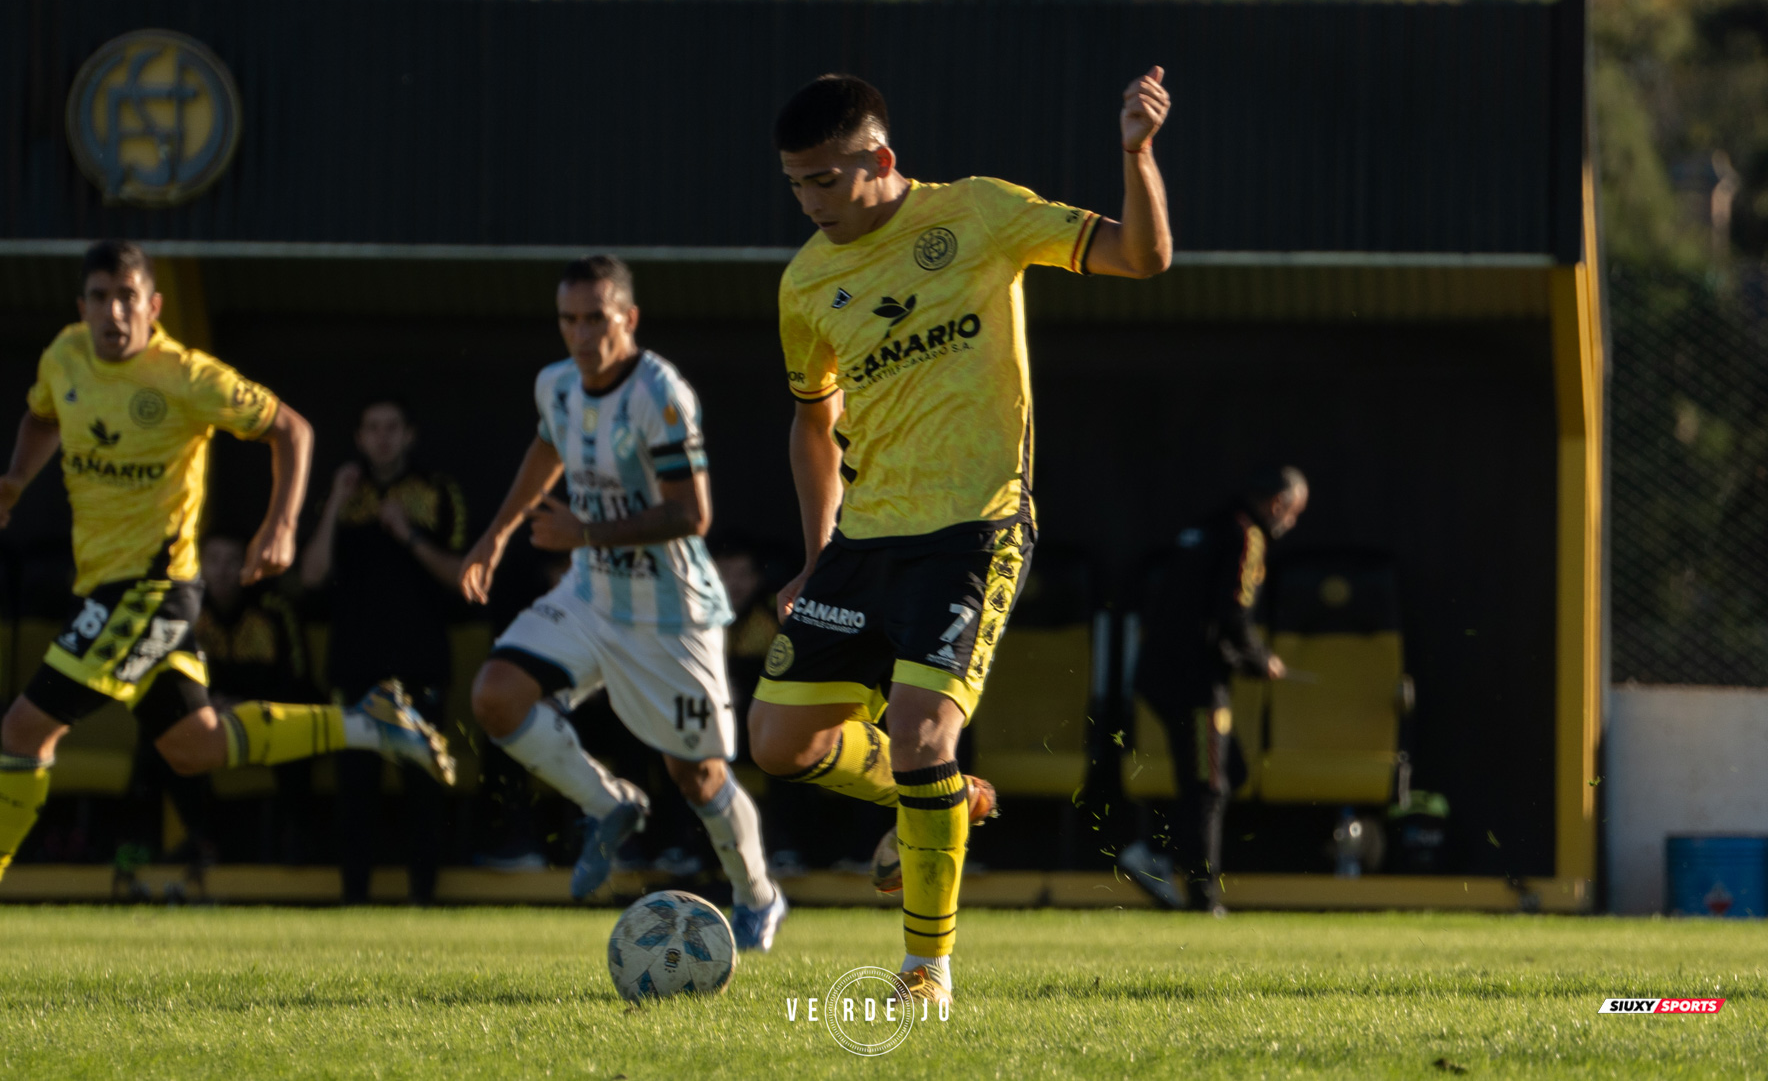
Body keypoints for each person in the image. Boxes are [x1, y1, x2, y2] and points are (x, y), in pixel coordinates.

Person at [747, 70, 1174, 1001]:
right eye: (796, 184)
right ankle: (936, 803)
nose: (811, 201)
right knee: (779, 741)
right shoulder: (806, 283)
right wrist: (817, 554)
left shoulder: (980, 214)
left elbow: (1143, 258)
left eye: (825, 179)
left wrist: (1137, 155)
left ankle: (924, 971)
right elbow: (812, 421)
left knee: (922, 730)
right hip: (864, 539)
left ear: (881, 159)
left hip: (975, 527)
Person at [0, 241, 454, 944]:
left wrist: (281, 525)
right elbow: (44, 415)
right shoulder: (64, 356)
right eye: (101, 297)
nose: (115, 312)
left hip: (150, 590)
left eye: (128, 297)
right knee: (193, 745)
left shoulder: (183, 376)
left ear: (153, 304)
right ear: (81, 307)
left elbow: (292, 428)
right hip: (104, 590)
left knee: (22, 727)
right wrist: (16, 478)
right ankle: (370, 723)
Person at [460, 255, 787, 950]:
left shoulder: (659, 393)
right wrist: (495, 535)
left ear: (628, 319)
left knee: (698, 778)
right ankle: (608, 804)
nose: (582, 335)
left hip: (670, 612)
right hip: (592, 593)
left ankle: (757, 894)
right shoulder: (556, 384)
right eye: (569, 320)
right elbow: (545, 449)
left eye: (597, 320)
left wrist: (585, 529)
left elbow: (691, 512)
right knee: (496, 694)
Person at [1117, 466, 1309, 915]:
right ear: (1279, 504)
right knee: (1209, 784)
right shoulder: (1246, 536)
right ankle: (1202, 896)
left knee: (1227, 773)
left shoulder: (1208, 526)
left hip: (1163, 673)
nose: (1292, 523)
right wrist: (1263, 660)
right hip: (1193, 680)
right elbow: (1232, 614)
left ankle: (1156, 854)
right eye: (1294, 512)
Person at [302, 398, 467, 904]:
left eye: (392, 427)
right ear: (358, 438)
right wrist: (335, 501)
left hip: (419, 661)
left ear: (409, 434)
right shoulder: (343, 494)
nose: (382, 438)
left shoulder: (437, 490)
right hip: (355, 664)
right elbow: (310, 576)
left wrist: (409, 533)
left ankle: (425, 898)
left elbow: (463, 577)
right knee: (356, 792)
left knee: (423, 790)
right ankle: (354, 899)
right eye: (371, 428)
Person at [195, 533, 325, 862]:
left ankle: (296, 843)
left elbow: (298, 681)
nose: (222, 571)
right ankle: (198, 842)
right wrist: (206, 705)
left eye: (232, 561)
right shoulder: (188, 613)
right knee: (164, 738)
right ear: (199, 567)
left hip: (266, 721)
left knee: (295, 736)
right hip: (212, 726)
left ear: (247, 566)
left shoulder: (274, 611)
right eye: (214, 561)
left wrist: (246, 708)